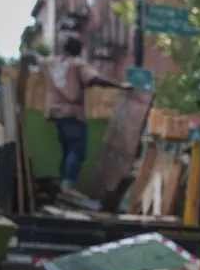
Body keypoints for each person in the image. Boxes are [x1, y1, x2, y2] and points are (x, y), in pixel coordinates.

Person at [33, 36, 131, 193]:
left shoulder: (49, 63)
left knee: (67, 149)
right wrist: (120, 85)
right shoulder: (77, 64)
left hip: (55, 113)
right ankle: (67, 183)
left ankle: (62, 182)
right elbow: (95, 79)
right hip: (73, 113)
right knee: (76, 150)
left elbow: (34, 60)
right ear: (79, 50)